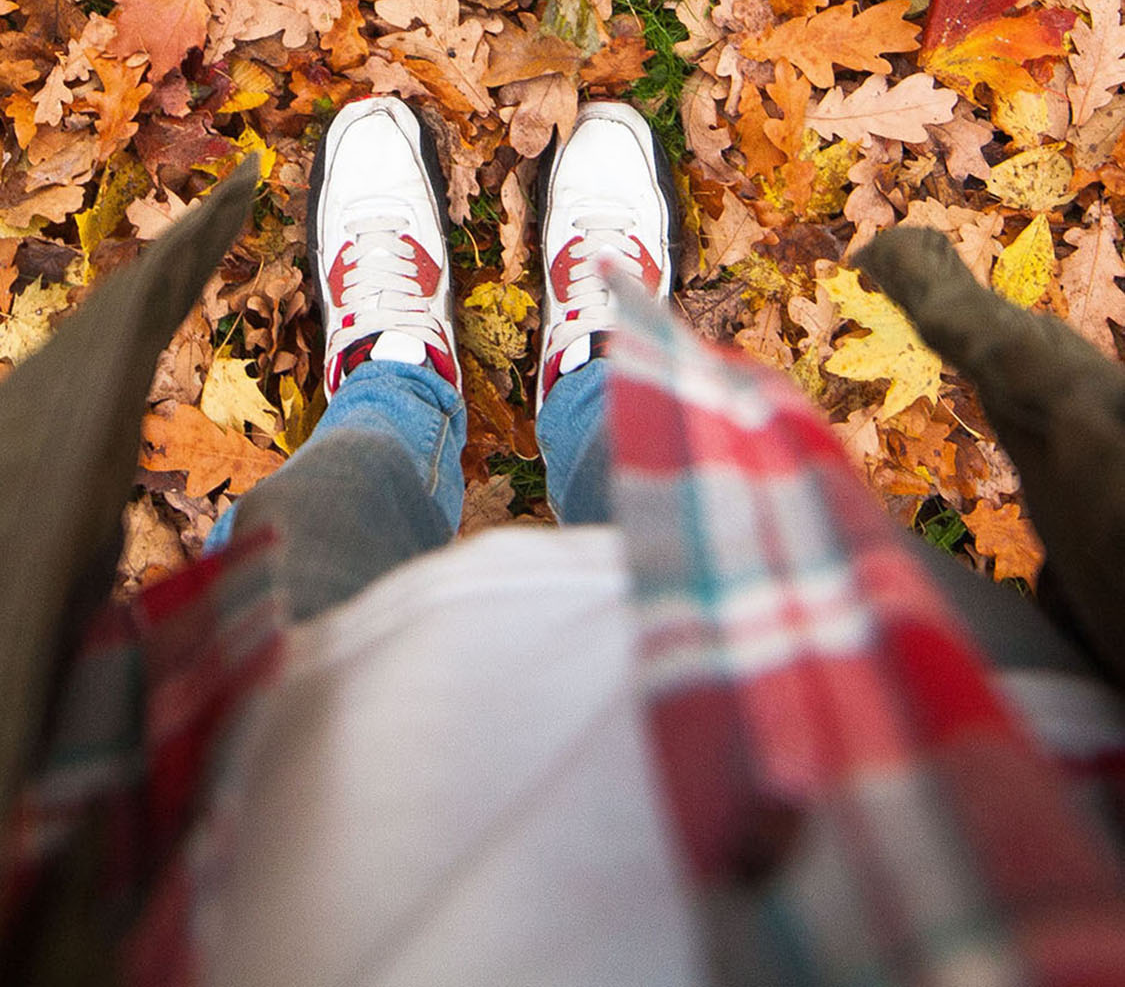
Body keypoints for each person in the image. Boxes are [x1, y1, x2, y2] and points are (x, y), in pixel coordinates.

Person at [7, 94, 1125, 987]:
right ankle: (592, 374)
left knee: (333, 503)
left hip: (255, 826)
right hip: (952, 774)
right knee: (660, 454)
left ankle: (400, 375)